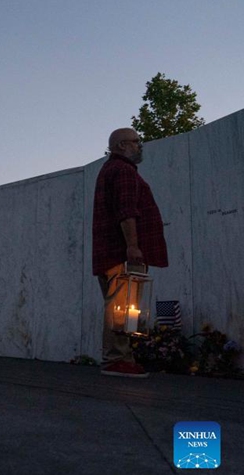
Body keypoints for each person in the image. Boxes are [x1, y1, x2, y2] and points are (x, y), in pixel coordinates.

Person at [93, 128, 168, 378]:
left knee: (120, 304)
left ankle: (121, 357)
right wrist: (133, 246)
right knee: (120, 305)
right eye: (136, 142)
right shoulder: (123, 171)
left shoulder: (109, 170)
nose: (140, 146)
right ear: (122, 145)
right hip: (121, 254)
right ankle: (116, 359)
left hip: (111, 252)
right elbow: (127, 211)